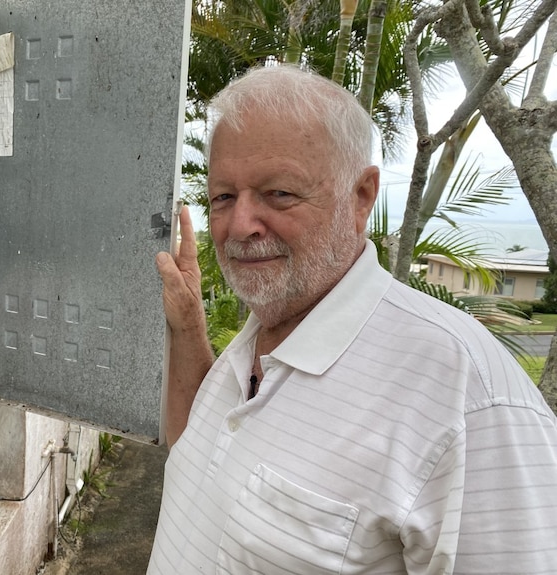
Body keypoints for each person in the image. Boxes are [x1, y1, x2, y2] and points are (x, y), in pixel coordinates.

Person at [148, 65, 557, 574]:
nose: (239, 225)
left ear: (361, 196)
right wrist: (188, 326)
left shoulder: (468, 399)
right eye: (223, 196)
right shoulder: (263, 331)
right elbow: (201, 457)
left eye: (279, 193)